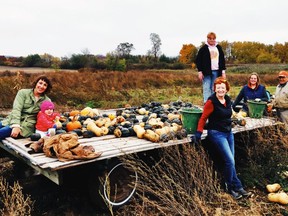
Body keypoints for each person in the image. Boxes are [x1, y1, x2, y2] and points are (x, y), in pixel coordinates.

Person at [194, 77, 251, 200]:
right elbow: (203, 118)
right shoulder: (211, 102)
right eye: (218, 87)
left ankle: (238, 186)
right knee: (229, 161)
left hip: (228, 133)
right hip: (216, 134)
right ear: (214, 89)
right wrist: (198, 132)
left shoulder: (227, 99)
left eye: (223, 88)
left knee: (231, 161)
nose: (220, 90)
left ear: (226, 89)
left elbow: (230, 113)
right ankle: (229, 188)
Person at [0, 76, 52, 140]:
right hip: (11, 120)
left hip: (27, 126)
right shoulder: (23, 93)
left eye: (45, 85)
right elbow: (17, 109)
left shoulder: (47, 101)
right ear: (36, 83)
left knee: (2, 132)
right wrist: (16, 125)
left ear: (47, 88)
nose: (41, 86)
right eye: (40, 83)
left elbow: (47, 116)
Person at [196, 32, 226, 103]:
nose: (212, 40)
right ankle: (207, 103)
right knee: (206, 88)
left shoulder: (218, 47)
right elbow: (198, 60)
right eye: (210, 39)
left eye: (213, 39)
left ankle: (214, 103)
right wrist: (200, 72)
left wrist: (223, 72)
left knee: (214, 88)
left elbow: (222, 60)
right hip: (206, 72)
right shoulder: (203, 48)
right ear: (207, 39)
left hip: (217, 71)